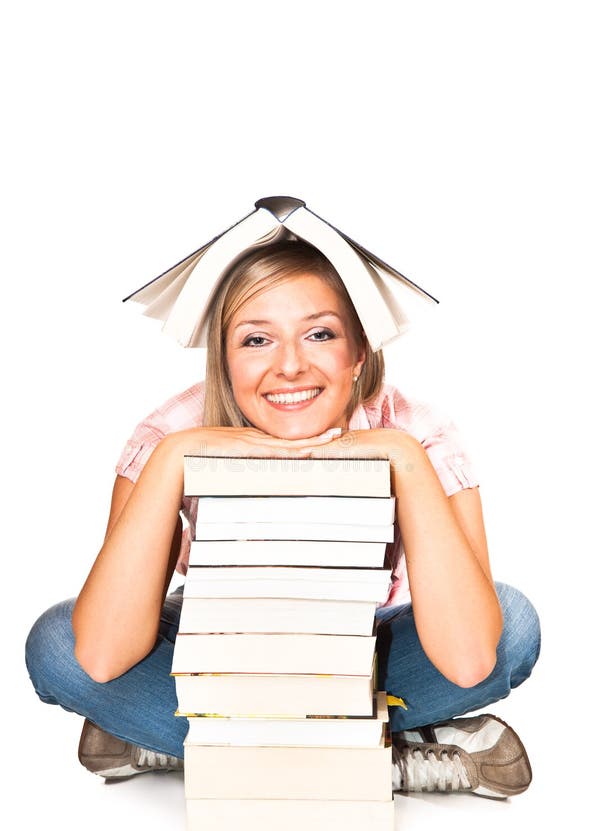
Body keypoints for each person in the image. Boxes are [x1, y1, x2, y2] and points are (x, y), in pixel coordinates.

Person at [25, 238, 540, 798]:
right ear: (224, 357)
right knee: (58, 644)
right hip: (218, 655)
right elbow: (102, 655)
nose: (290, 365)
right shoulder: (171, 430)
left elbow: (469, 659)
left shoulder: (416, 431)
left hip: (360, 658)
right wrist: (176, 456)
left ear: (359, 350)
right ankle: (380, 763)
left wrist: (404, 459)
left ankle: (193, 748)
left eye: (319, 334)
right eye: (256, 339)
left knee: (510, 623)